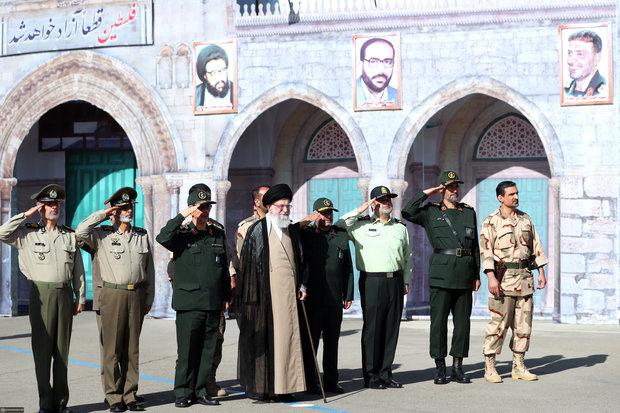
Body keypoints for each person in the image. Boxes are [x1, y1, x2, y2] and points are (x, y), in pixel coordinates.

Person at [0, 184, 85, 413]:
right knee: (42, 351)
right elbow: (2, 233)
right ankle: (45, 403)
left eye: (56, 204)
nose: (53, 207)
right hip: (41, 294)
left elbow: (78, 269)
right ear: (41, 208)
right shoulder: (27, 233)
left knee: (61, 352)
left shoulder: (69, 234)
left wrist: (81, 296)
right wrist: (24, 214)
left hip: (65, 294)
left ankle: (60, 402)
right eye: (48, 204)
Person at [75, 187, 154, 412]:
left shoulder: (141, 235)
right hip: (112, 294)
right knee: (112, 349)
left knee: (132, 348)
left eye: (130, 207)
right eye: (123, 208)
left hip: (136, 294)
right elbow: (80, 231)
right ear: (115, 211)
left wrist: (149, 296)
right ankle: (113, 395)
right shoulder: (101, 235)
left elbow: (150, 271)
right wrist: (104, 213)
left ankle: (130, 394)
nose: (128, 211)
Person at [401, 171, 481, 385]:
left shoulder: (468, 212)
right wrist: (427, 192)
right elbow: (407, 212)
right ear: (442, 189)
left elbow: (474, 247)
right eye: (450, 187)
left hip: (464, 274)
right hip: (441, 275)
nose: (455, 190)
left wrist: (476, 274)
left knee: (462, 324)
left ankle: (457, 367)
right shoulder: (431, 212)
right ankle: (440, 368)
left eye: (457, 186)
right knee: (438, 324)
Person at [156, 184, 231, 407]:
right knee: (187, 351)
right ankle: (182, 392)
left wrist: (225, 296)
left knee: (207, 351)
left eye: (207, 206)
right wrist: (183, 215)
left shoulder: (216, 233)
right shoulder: (180, 235)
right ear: (191, 209)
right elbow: (162, 237)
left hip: (212, 302)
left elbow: (223, 268)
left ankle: (200, 390)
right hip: (189, 303)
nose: (205, 211)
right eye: (200, 207)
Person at [236, 184, 308, 403]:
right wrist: (252, 300)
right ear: (269, 207)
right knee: (266, 342)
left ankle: (287, 387)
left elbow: (303, 262)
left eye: (288, 206)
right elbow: (248, 268)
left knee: (288, 340)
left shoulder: (292, 230)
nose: (285, 210)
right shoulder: (257, 230)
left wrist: (303, 286)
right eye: (281, 206)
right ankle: (266, 389)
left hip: (289, 297)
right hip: (265, 298)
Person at [339, 186, 411, 389]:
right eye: (382, 200)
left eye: (389, 199)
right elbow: (338, 225)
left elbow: (408, 257)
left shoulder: (400, 228)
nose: (387, 202)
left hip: (395, 281)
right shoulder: (360, 226)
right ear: (373, 203)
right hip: (372, 281)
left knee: (391, 329)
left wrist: (405, 279)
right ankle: (371, 376)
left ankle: (385, 374)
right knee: (373, 329)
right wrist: (360, 210)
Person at [479, 181, 549, 383]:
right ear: (501, 198)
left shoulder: (525, 219)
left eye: (516, 193)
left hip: (526, 279)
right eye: (511, 194)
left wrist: (541, 272)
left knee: (523, 326)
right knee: (498, 325)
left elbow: (536, 245)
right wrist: (491, 277)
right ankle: (490, 367)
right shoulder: (491, 221)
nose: (516, 197)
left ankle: (519, 365)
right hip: (503, 280)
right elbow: (486, 251)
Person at [300, 197, 354, 394]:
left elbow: (347, 268)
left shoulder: (340, 235)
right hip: (313, 299)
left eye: (330, 212)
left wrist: (348, 294)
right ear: (316, 215)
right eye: (323, 213)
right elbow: (291, 230)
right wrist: (308, 220)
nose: (328, 216)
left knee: (332, 343)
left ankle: (331, 381)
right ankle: (311, 382)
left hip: (333, 299)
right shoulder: (306, 234)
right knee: (311, 343)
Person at [356, 37, 399, 108]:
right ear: (361, 65)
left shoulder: (398, 96)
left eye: (388, 62)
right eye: (373, 62)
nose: (381, 70)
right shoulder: (348, 95)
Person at [565, 30, 607, 98]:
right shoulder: (565, 90)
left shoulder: (605, 91)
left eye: (580, 54)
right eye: (570, 53)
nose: (570, 61)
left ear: (596, 58)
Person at [235, 185, 270, 261]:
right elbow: (240, 257)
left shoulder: (280, 224)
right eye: (267, 196)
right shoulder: (246, 226)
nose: (270, 199)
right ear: (257, 202)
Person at [195, 44, 234, 111]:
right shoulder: (196, 94)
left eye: (222, 70)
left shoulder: (237, 91)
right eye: (213, 73)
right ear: (205, 77)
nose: (219, 77)